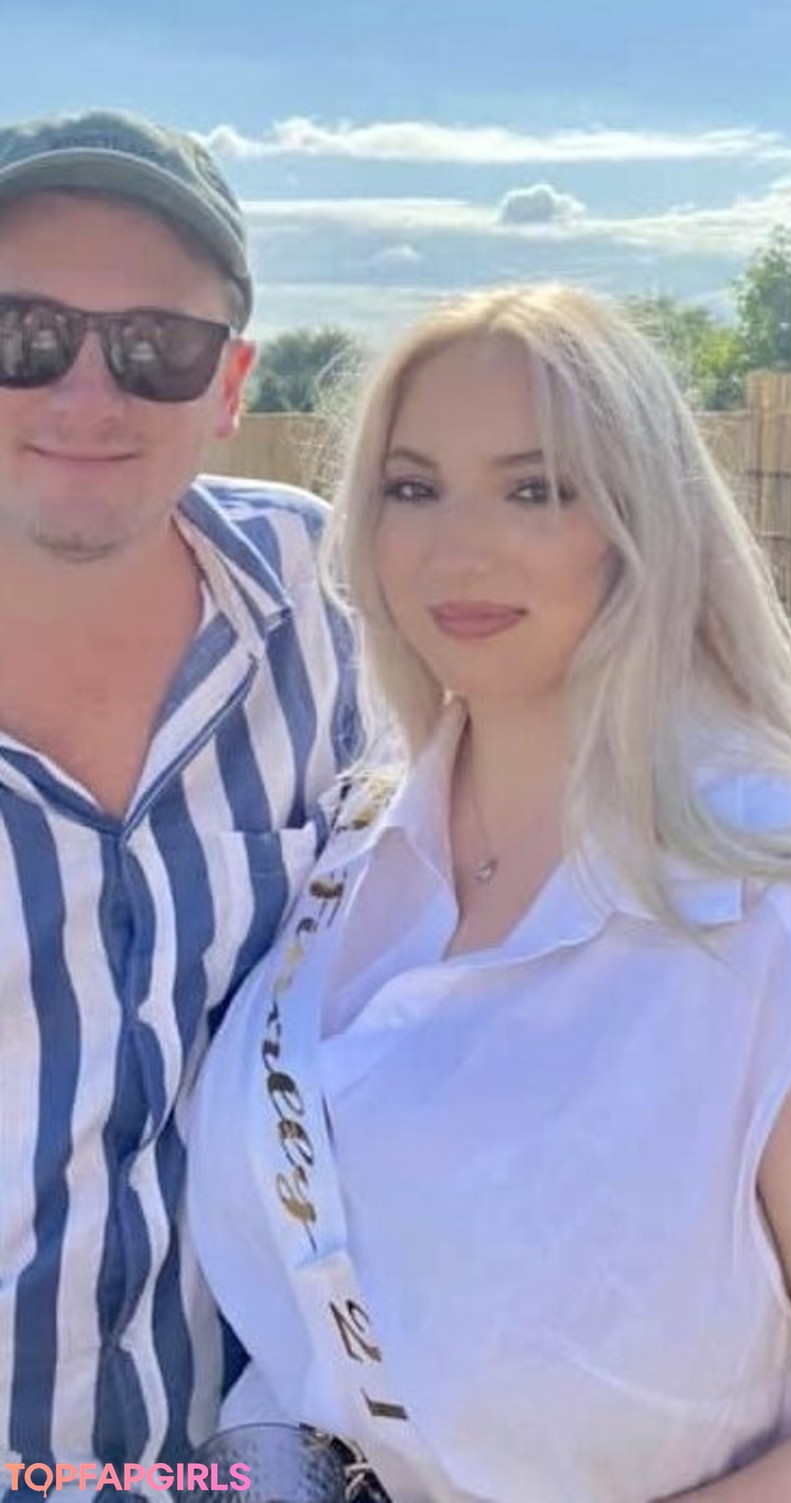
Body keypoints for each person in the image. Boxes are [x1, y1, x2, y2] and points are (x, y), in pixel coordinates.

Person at [189, 285, 791, 1503]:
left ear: (648, 517)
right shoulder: (351, 841)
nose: (458, 549)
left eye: (537, 489)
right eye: (412, 487)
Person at [0, 110, 359, 1480]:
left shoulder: (334, 608)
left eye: (157, 346)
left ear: (231, 384)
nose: (90, 398)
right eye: (23, 333)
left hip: (256, 1455)